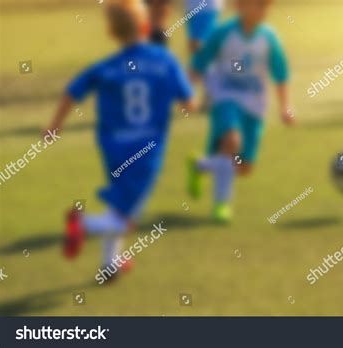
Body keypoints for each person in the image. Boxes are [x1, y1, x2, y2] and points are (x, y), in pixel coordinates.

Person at [45, 0, 194, 281]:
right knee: (126, 217)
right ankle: (83, 225)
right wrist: (190, 104)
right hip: (147, 149)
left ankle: (109, 264)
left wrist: (55, 125)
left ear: (111, 33)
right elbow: (189, 101)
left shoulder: (106, 67)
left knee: (122, 204)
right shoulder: (164, 60)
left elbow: (72, 92)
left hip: (112, 146)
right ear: (147, 26)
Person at [187, 0, 294, 223]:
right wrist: (187, 92)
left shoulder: (269, 37)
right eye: (259, 5)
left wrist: (285, 108)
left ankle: (200, 165)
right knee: (231, 142)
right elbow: (200, 60)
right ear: (241, 6)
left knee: (244, 167)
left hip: (254, 106)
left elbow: (281, 73)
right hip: (225, 97)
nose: (264, 11)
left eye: (266, 7)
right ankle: (221, 205)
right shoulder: (223, 33)